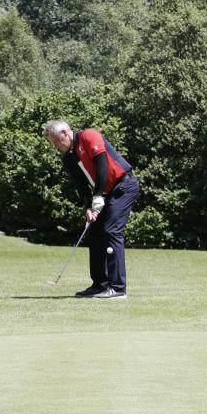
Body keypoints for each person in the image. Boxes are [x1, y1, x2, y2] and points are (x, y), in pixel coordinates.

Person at [43, 120, 140, 299]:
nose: (56, 146)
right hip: (104, 193)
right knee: (94, 234)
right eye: (53, 144)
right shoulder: (69, 158)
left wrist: (98, 196)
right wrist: (88, 206)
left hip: (123, 186)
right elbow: (81, 185)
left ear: (65, 132)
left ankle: (117, 288)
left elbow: (102, 165)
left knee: (111, 230)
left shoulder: (89, 135)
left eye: (57, 141)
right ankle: (99, 285)